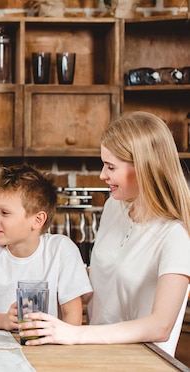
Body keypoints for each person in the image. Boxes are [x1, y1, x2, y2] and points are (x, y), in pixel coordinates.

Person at [21, 111, 190, 357]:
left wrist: (74, 334)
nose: (102, 175)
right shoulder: (114, 208)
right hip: (97, 353)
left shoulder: (175, 235)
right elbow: (105, 278)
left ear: (144, 168)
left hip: (141, 362)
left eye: (110, 166)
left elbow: (160, 326)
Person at [0, 163, 92, 331]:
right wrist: (1, 321)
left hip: (45, 349)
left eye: (5, 213)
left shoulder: (61, 251)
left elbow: (73, 320)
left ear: (37, 220)